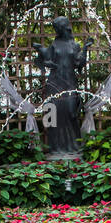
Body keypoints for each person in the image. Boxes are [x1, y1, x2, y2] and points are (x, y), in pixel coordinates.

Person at [33, 16, 92, 158]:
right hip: (54, 83)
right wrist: (42, 53)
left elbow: (79, 64)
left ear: (64, 27)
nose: (56, 30)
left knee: (72, 114)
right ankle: (56, 148)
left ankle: (74, 147)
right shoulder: (54, 44)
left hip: (70, 83)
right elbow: (45, 60)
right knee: (55, 117)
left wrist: (85, 49)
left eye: (58, 27)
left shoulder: (74, 45)